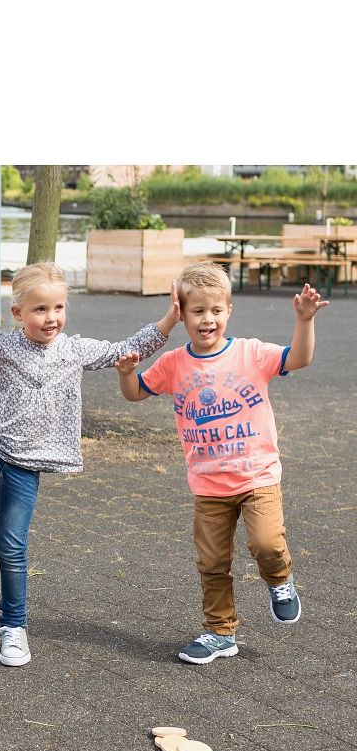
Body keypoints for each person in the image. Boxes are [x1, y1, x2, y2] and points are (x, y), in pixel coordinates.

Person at [0, 262, 176, 667]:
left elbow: (126, 348)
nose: (51, 318)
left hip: (28, 460)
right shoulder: (1, 345)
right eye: (40, 310)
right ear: (18, 313)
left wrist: (171, 317)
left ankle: (14, 627)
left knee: (12, 547)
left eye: (58, 308)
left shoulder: (75, 350)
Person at [116, 261, 325, 664]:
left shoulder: (251, 353)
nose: (207, 319)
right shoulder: (174, 363)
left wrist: (303, 320)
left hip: (257, 476)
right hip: (208, 485)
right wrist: (126, 373)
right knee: (212, 563)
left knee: (266, 544)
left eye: (215, 310)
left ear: (228, 311)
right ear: (182, 313)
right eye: (197, 311)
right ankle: (219, 631)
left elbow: (298, 358)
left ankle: (280, 580)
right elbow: (136, 393)